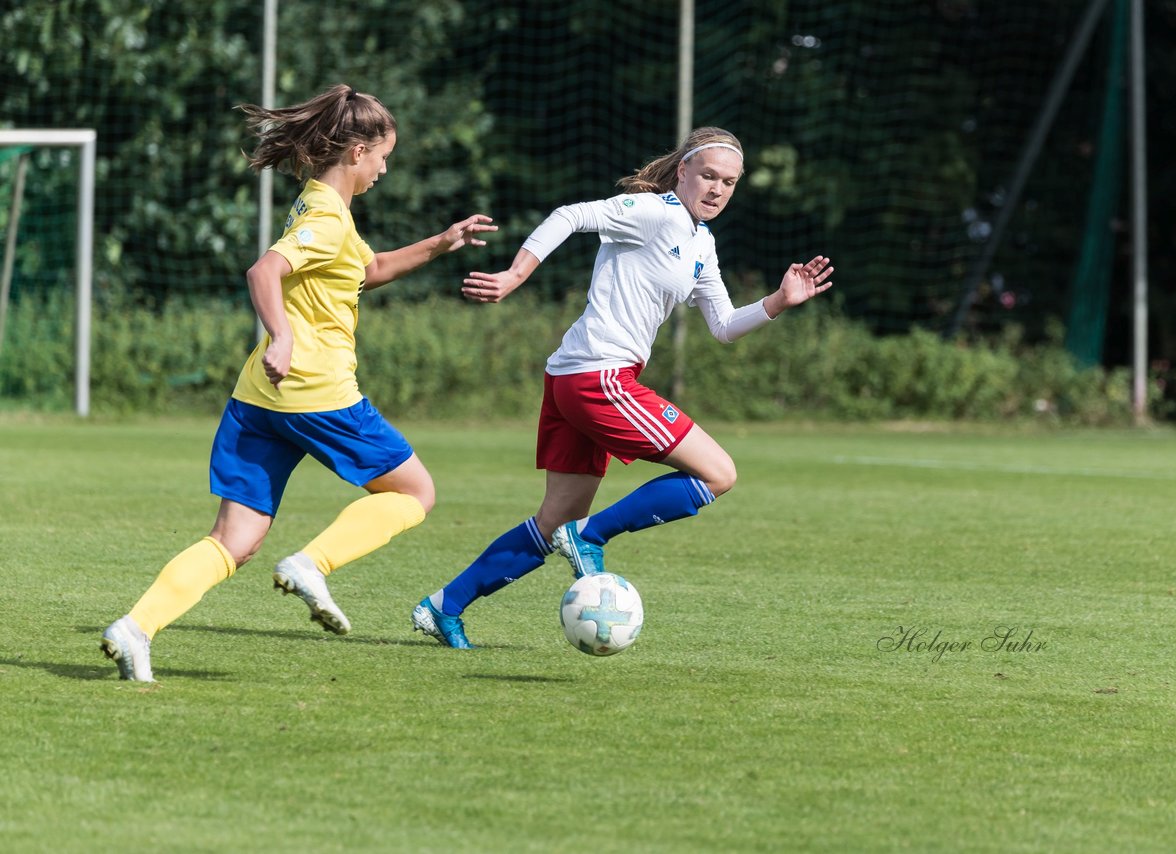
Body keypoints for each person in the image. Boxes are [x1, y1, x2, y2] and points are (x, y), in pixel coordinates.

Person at [100, 83, 497, 681]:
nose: (386, 167)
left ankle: (135, 629)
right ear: (358, 151)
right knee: (414, 493)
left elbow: (370, 269)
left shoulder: (321, 205)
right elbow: (265, 270)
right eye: (384, 154)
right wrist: (282, 335)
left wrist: (442, 242)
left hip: (259, 399)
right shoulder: (324, 218)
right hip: (317, 392)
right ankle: (312, 564)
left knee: (234, 539)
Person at [410, 127, 833, 648]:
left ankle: (443, 607)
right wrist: (515, 275)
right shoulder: (654, 212)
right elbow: (570, 215)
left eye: (729, 182)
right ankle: (589, 536)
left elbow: (722, 324)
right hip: (599, 375)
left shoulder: (702, 242)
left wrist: (777, 302)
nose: (718, 189)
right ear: (683, 171)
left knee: (553, 518)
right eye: (708, 176)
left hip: (572, 375)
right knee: (719, 473)